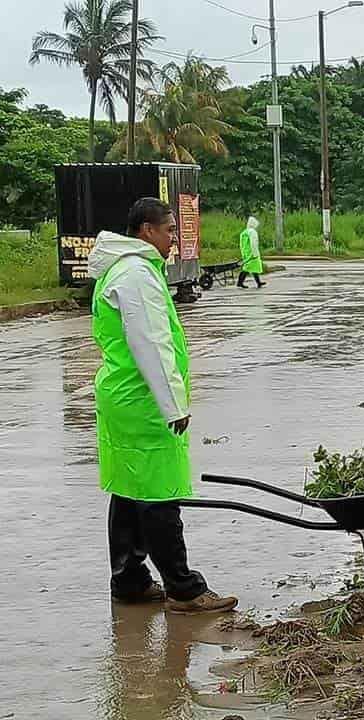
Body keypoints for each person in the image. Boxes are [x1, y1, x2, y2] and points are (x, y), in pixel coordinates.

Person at [88, 197, 238, 614]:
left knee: (129, 488)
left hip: (123, 396)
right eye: (169, 230)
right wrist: (173, 404)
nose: (174, 239)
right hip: (143, 400)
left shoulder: (123, 269)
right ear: (147, 231)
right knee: (158, 494)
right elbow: (151, 344)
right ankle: (184, 589)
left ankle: (130, 580)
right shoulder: (136, 274)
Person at [237, 216, 265, 288]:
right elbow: (254, 243)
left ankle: (258, 282)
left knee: (252, 268)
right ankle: (240, 282)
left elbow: (241, 244)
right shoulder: (252, 232)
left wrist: (243, 252)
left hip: (246, 252)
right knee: (248, 268)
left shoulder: (244, 232)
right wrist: (255, 252)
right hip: (252, 252)